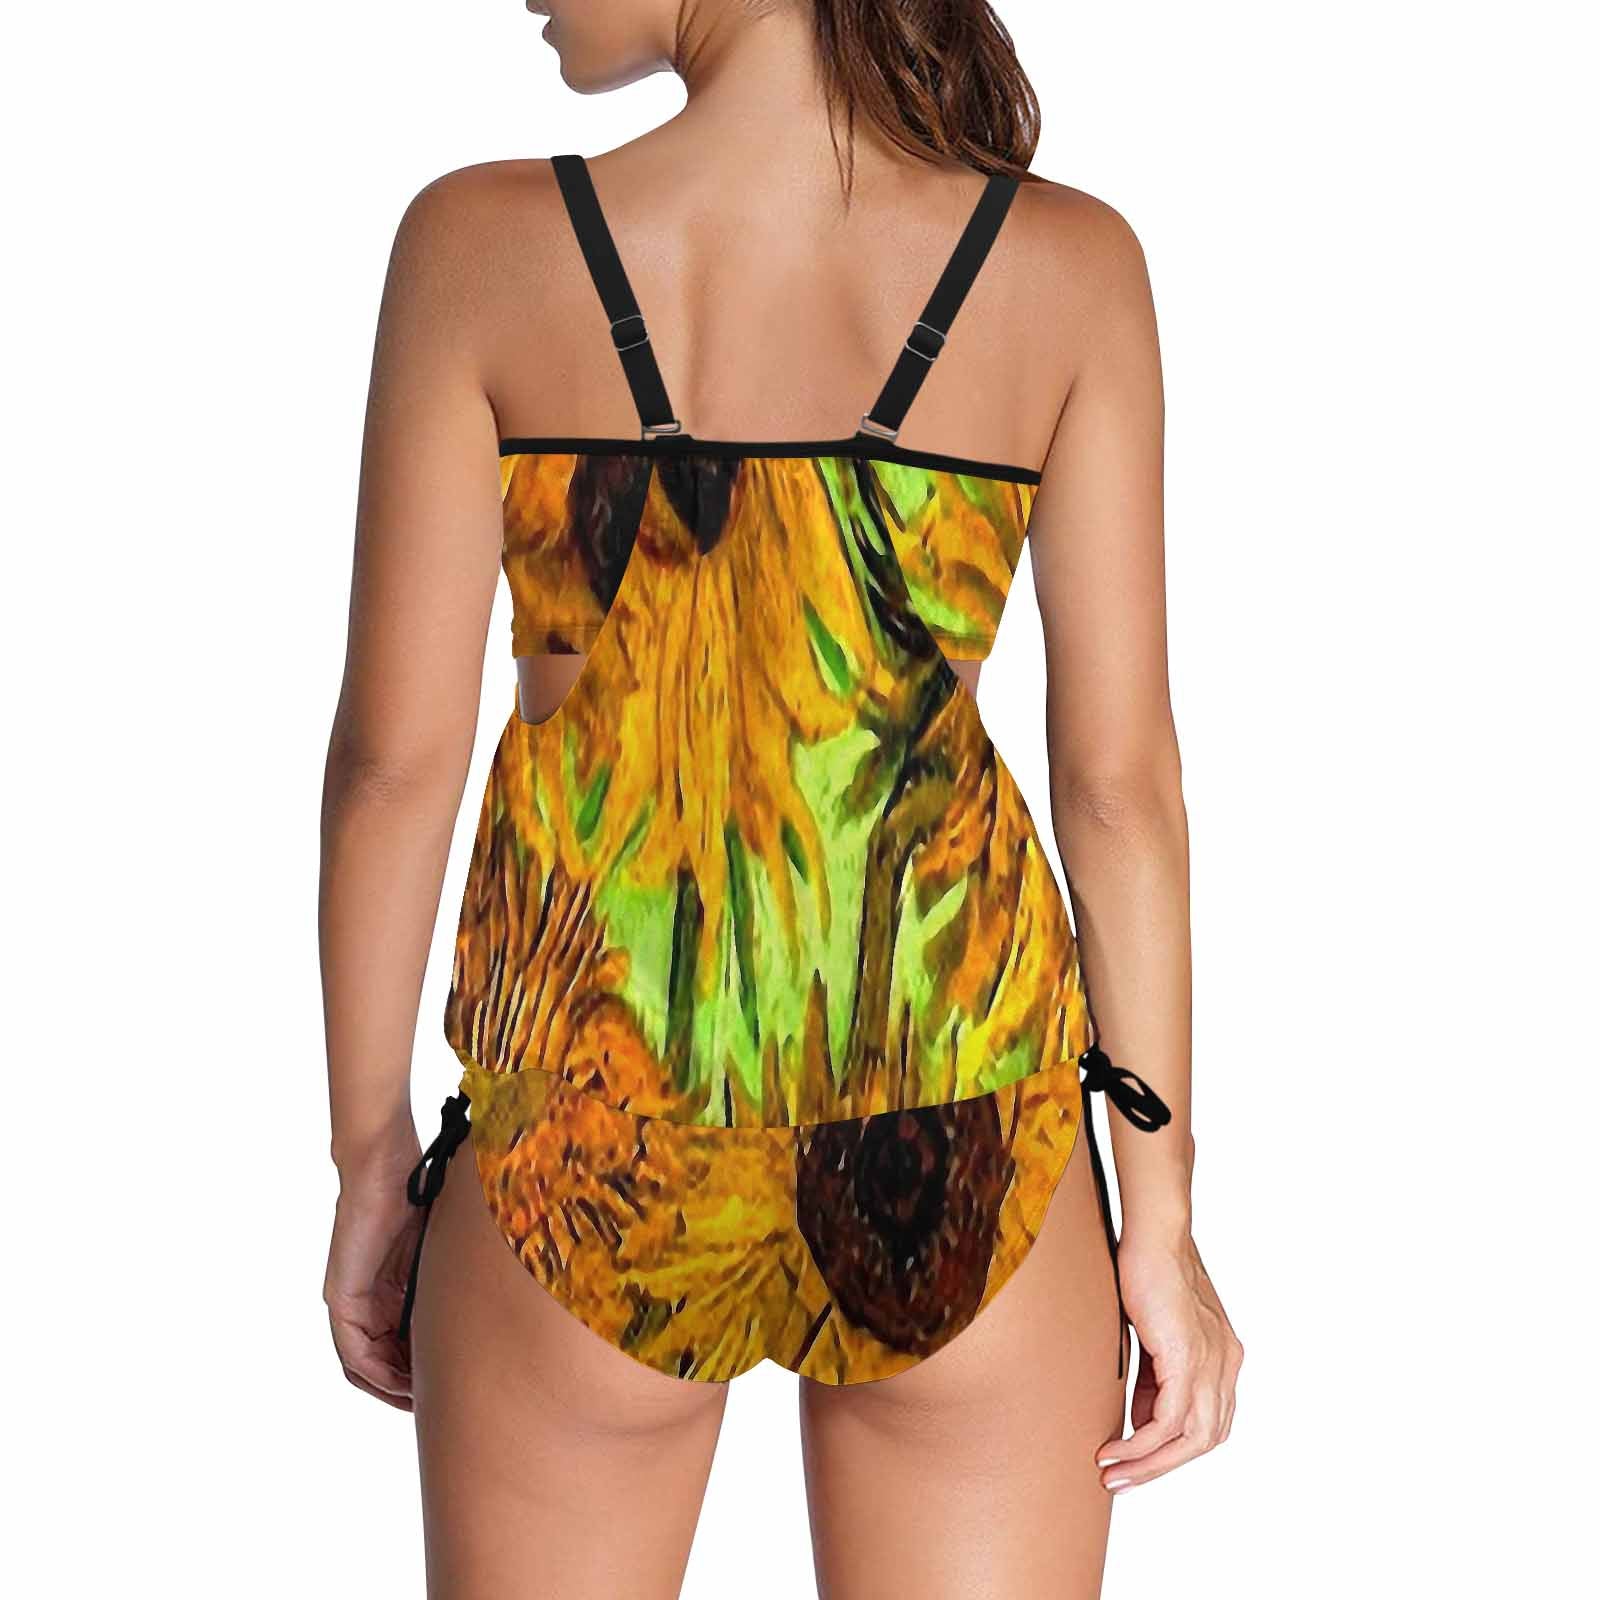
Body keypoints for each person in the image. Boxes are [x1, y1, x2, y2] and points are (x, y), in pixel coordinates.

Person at [319, 1, 1242, 1593]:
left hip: (589, 1135)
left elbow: (392, 769)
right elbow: (1120, 788)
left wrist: (365, 1159)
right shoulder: (1064, 266)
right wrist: (1155, 1212)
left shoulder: (478, 247)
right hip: (965, 1124)